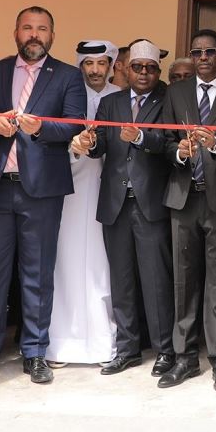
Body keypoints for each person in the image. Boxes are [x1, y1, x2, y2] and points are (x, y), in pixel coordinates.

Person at [0, 6, 86, 387]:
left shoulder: (68, 76)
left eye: (42, 29)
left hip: (41, 191)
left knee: (38, 273)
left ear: (52, 36)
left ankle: (35, 352)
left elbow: (74, 124)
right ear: (15, 33)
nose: (34, 35)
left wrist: (42, 128)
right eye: (27, 28)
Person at [71, 40, 176, 378]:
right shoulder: (111, 102)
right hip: (115, 203)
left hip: (150, 203)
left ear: (158, 72)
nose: (144, 74)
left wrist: (142, 137)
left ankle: (164, 350)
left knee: (156, 280)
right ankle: (128, 349)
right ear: (126, 70)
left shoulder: (167, 100)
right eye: (137, 67)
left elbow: (169, 143)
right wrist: (88, 144)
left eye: (150, 68)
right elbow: (101, 145)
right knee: (122, 280)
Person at [157, 29, 216, 392]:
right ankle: (185, 358)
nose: (204, 58)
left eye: (210, 52)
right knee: (183, 280)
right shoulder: (176, 92)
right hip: (183, 197)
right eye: (197, 53)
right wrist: (179, 152)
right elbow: (163, 141)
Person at [46, 40, 120, 367]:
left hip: (109, 190)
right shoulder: (66, 96)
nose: (95, 70)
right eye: (88, 64)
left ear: (111, 66)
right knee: (66, 263)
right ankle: (63, 343)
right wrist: (75, 148)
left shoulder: (120, 98)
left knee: (102, 267)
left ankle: (104, 343)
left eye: (101, 63)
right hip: (70, 189)